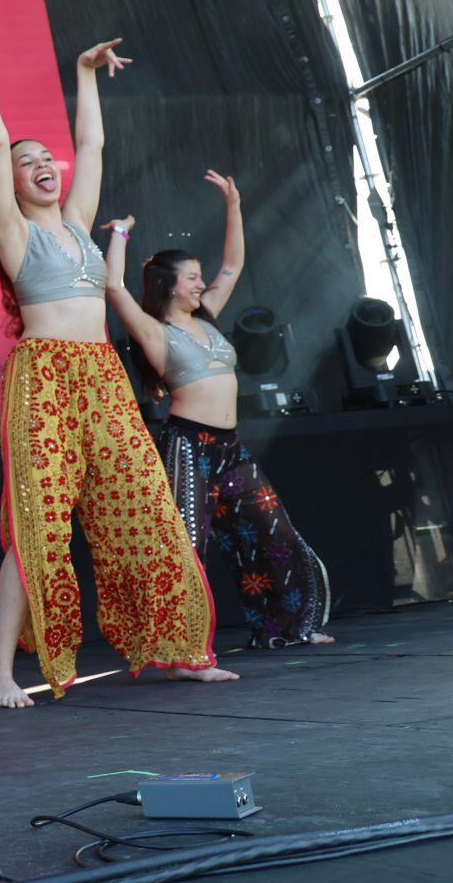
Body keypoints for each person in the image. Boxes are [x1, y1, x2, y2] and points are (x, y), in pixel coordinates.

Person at [0, 17, 236, 709]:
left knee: (148, 507)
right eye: (27, 160)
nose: (42, 162)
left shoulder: (76, 223)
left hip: (101, 377)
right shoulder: (10, 230)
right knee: (37, 522)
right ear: (10, 181)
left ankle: (178, 648)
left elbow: (92, 142)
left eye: (47, 157)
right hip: (44, 377)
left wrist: (86, 71)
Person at [101, 177, 333, 649]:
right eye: (191, 277)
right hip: (188, 447)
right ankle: (182, 645)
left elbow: (234, 263)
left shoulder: (206, 314)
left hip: (230, 449)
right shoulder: (154, 331)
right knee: (187, 545)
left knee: (274, 531)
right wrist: (121, 234)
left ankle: (283, 630)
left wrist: (234, 205)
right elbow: (113, 287)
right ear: (168, 285)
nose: (202, 283)